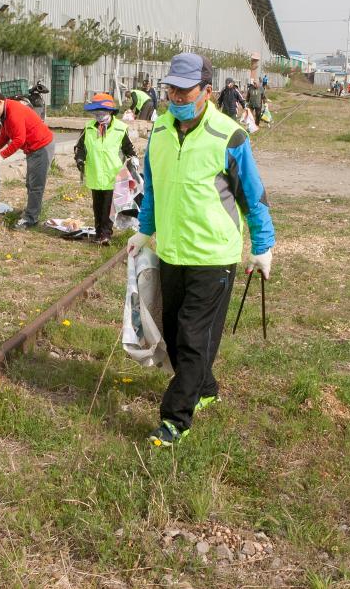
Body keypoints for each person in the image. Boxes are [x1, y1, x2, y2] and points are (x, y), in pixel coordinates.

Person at [129, 53, 275, 448]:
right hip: (173, 252)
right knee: (176, 335)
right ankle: (205, 386)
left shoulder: (230, 136)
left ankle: (175, 420)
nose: (175, 95)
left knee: (193, 336)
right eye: (170, 88)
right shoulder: (158, 131)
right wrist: (145, 231)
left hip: (214, 256)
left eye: (184, 89)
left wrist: (263, 246)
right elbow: (155, 188)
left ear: (207, 91)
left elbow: (253, 196)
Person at [0, 90, 55, 228]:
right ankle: (31, 213)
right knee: (31, 183)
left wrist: (1, 156)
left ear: (0, 102)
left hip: (42, 147)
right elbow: (4, 136)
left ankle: (31, 219)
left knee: (36, 185)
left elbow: (19, 139)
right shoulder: (5, 113)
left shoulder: (14, 112)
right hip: (33, 149)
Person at [73, 93, 136, 246]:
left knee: (108, 207)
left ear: (110, 112)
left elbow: (129, 149)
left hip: (112, 174)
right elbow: (80, 148)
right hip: (95, 174)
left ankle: (106, 234)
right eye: (96, 113)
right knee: (97, 206)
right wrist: (80, 159)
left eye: (102, 113)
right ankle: (98, 232)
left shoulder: (121, 129)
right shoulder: (88, 128)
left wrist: (133, 160)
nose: (99, 116)